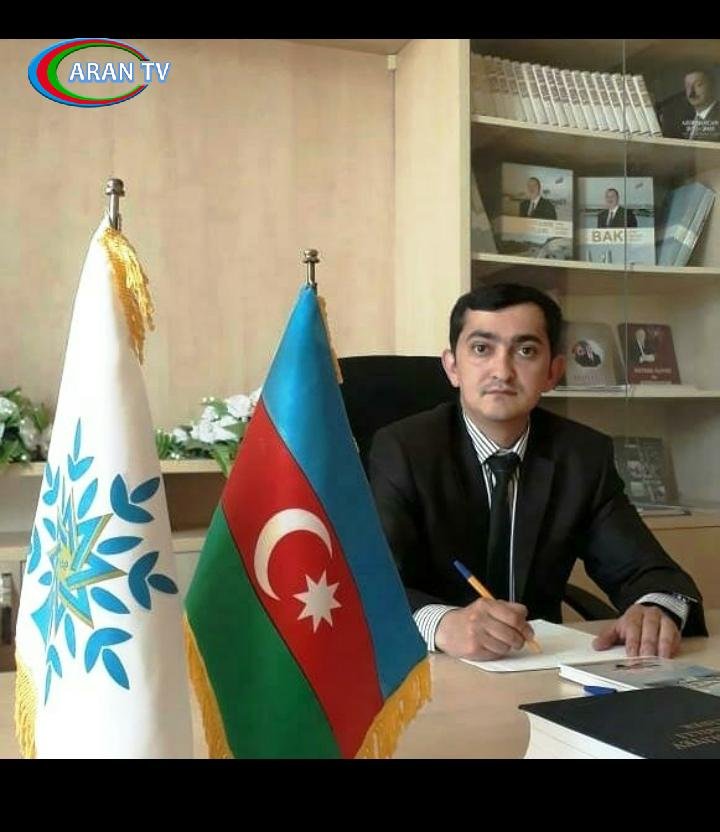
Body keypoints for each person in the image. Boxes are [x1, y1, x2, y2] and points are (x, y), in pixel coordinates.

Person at [368, 283, 706, 664]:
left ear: (553, 372)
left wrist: (655, 609)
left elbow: (652, 574)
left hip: (540, 668)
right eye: (481, 349)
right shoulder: (403, 451)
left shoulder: (581, 457)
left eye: (525, 351)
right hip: (432, 669)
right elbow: (372, 585)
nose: (502, 371)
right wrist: (442, 623)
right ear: (452, 367)